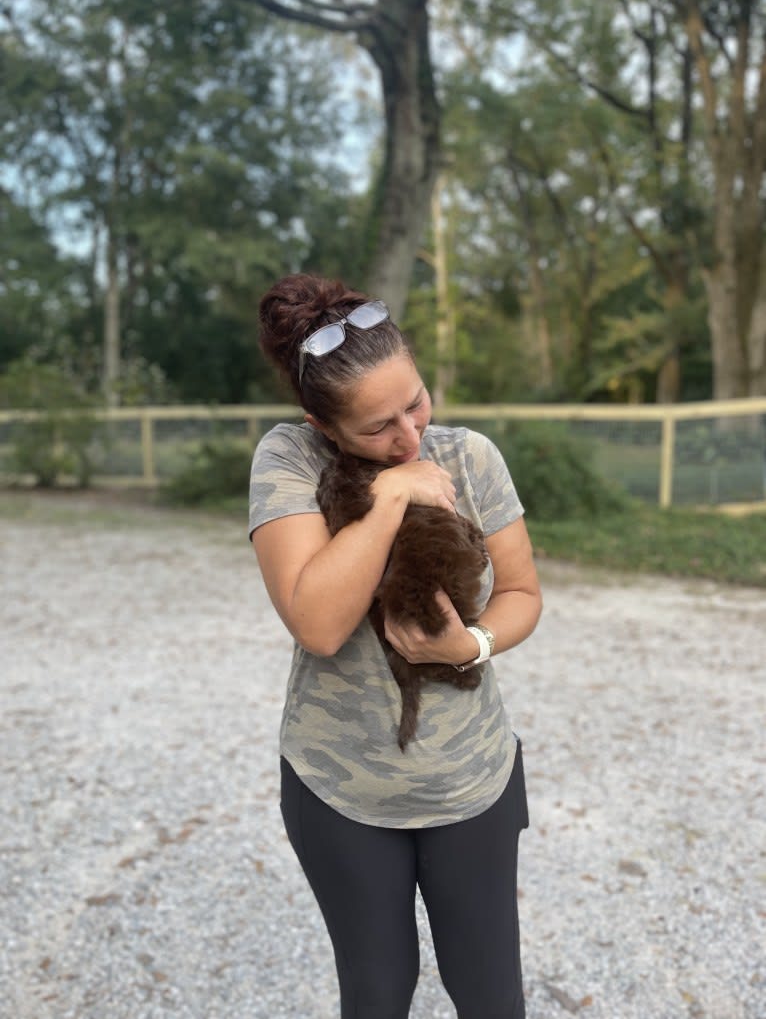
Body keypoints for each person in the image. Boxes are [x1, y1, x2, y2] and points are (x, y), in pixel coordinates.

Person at [249, 272, 542, 1019]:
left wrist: (469, 646)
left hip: (470, 783)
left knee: (490, 996)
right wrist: (390, 496)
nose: (410, 436)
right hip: (339, 790)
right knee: (377, 994)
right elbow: (317, 622)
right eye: (378, 427)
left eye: (414, 403)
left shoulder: (471, 457)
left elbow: (523, 594)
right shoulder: (289, 460)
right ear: (323, 426)